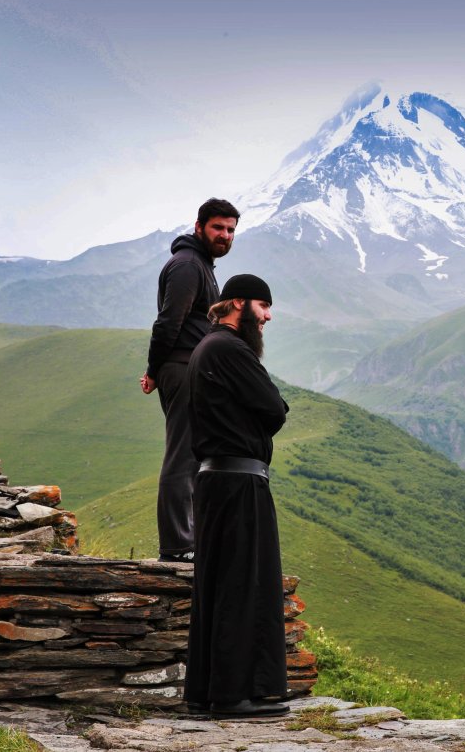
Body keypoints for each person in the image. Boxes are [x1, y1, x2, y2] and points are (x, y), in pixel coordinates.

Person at [184, 273, 290, 718]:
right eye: (263, 306)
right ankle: (232, 696)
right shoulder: (230, 348)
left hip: (217, 480)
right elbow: (274, 407)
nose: (267, 316)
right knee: (240, 584)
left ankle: (206, 692)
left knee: (219, 583)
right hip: (237, 481)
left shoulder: (208, 347)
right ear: (239, 304)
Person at [141, 198, 240, 562]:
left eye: (230, 230)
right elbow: (168, 323)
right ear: (199, 227)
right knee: (182, 455)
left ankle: (192, 541)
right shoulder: (187, 265)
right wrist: (154, 371)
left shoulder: (201, 264)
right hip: (182, 367)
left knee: (196, 454)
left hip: (192, 368)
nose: (225, 235)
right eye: (218, 227)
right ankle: (178, 546)